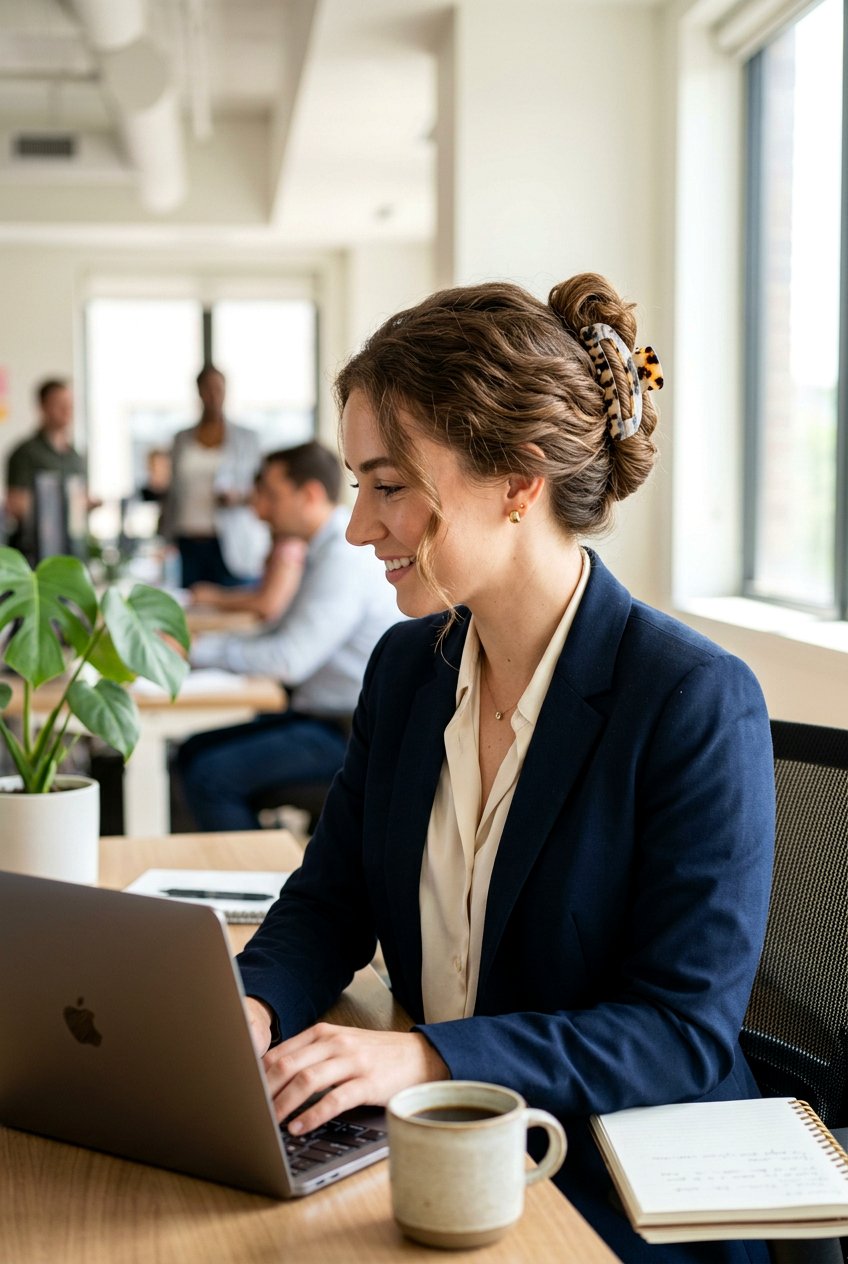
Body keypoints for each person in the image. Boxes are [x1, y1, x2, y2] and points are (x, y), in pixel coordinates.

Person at [235, 275, 776, 1264]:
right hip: (435, 1148)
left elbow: (679, 1032)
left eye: (387, 484)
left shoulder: (691, 700)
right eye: (357, 484)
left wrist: (429, 1057)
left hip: (609, 1180)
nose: (356, 526)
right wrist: (249, 1004)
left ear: (518, 480)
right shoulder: (408, 670)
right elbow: (332, 897)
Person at [177, 441, 400, 831]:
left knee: (210, 775)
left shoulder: (343, 560)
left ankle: (251, 887)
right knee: (190, 751)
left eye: (272, 496)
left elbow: (287, 660)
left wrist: (194, 652)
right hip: (320, 715)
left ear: (310, 495)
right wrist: (199, 650)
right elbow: (276, 634)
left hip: (349, 730)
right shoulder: (320, 551)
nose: (260, 509)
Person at [161, 365, 268, 588]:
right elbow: (173, 491)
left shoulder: (247, 439)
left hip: (230, 542)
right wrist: (166, 536)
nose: (212, 395)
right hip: (188, 541)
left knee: (232, 602)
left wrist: (237, 498)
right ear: (198, 392)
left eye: (218, 388)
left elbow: (264, 490)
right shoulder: (181, 439)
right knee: (191, 608)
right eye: (206, 389)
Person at [188, 472, 307, 623]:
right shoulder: (279, 539)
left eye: (256, 496)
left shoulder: (290, 545)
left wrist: (214, 598)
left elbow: (267, 604)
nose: (252, 505)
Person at [5, 378, 87, 562]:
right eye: (60, 405)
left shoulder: (75, 457)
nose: (67, 411)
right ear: (43, 407)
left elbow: (80, 501)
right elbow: (16, 503)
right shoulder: (25, 452)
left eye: (70, 405)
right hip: (36, 554)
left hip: (72, 551)